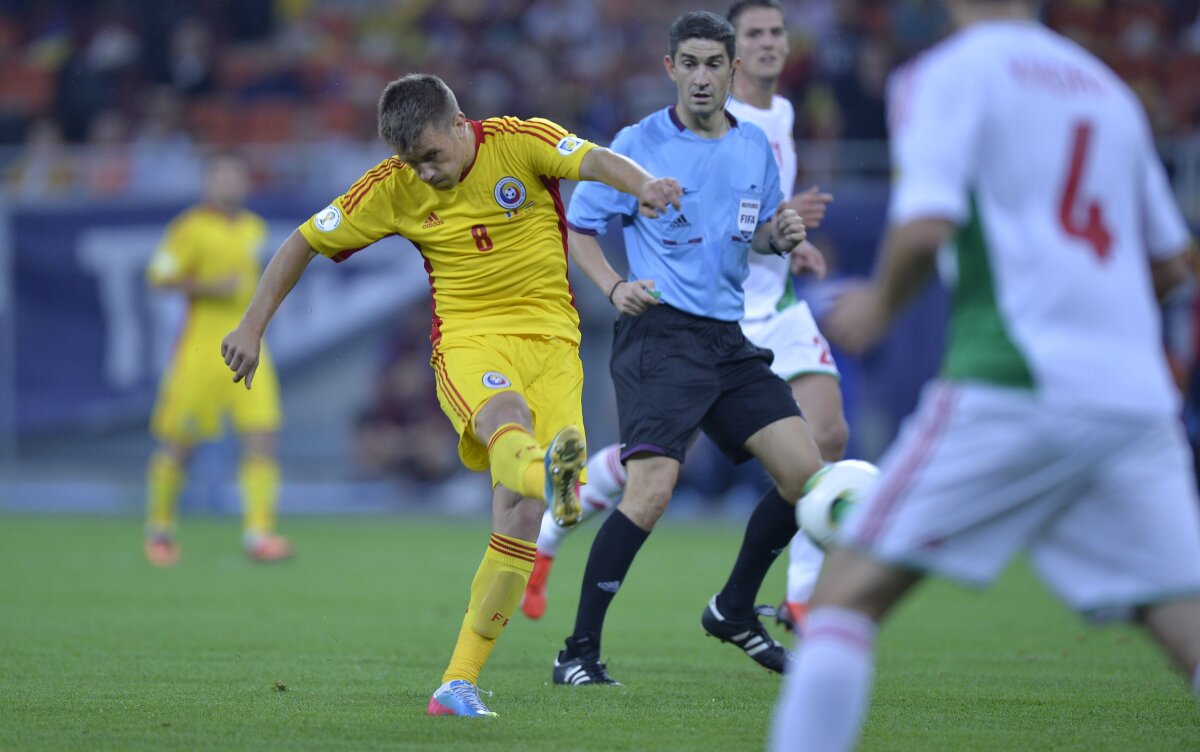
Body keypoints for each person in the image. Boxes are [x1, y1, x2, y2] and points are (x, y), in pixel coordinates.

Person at [770, 1, 1200, 750]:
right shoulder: (1107, 89)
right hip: (1135, 399)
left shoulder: (944, 74)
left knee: (841, 598)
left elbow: (927, 220)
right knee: (1184, 623)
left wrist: (878, 305)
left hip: (1014, 379)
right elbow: (1170, 263)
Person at [219, 73, 682, 718]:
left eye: (432, 156)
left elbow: (594, 159)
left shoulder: (521, 143)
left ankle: (456, 683)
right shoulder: (393, 186)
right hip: (469, 341)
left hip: (554, 345)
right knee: (507, 420)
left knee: (518, 519)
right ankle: (549, 475)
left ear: (460, 124)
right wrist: (251, 324)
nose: (425, 173)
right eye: (412, 162)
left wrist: (644, 185)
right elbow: (303, 240)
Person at [520, 0, 848, 636]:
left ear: (732, 72)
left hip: (729, 339)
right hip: (661, 335)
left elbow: (756, 235)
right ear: (671, 67)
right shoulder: (637, 145)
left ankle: (731, 607)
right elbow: (579, 226)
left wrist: (782, 237)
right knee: (651, 492)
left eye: (714, 65)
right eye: (690, 64)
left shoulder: (754, 146)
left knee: (807, 476)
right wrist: (614, 287)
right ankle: (578, 649)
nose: (702, 77)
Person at [143, 150, 292, 567]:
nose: (229, 184)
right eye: (221, 176)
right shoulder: (189, 228)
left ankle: (259, 534)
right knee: (180, 443)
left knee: (263, 435)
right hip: (201, 349)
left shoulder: (253, 228)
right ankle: (160, 530)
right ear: (208, 183)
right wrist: (213, 286)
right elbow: (158, 277)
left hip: (249, 346)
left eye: (235, 176)